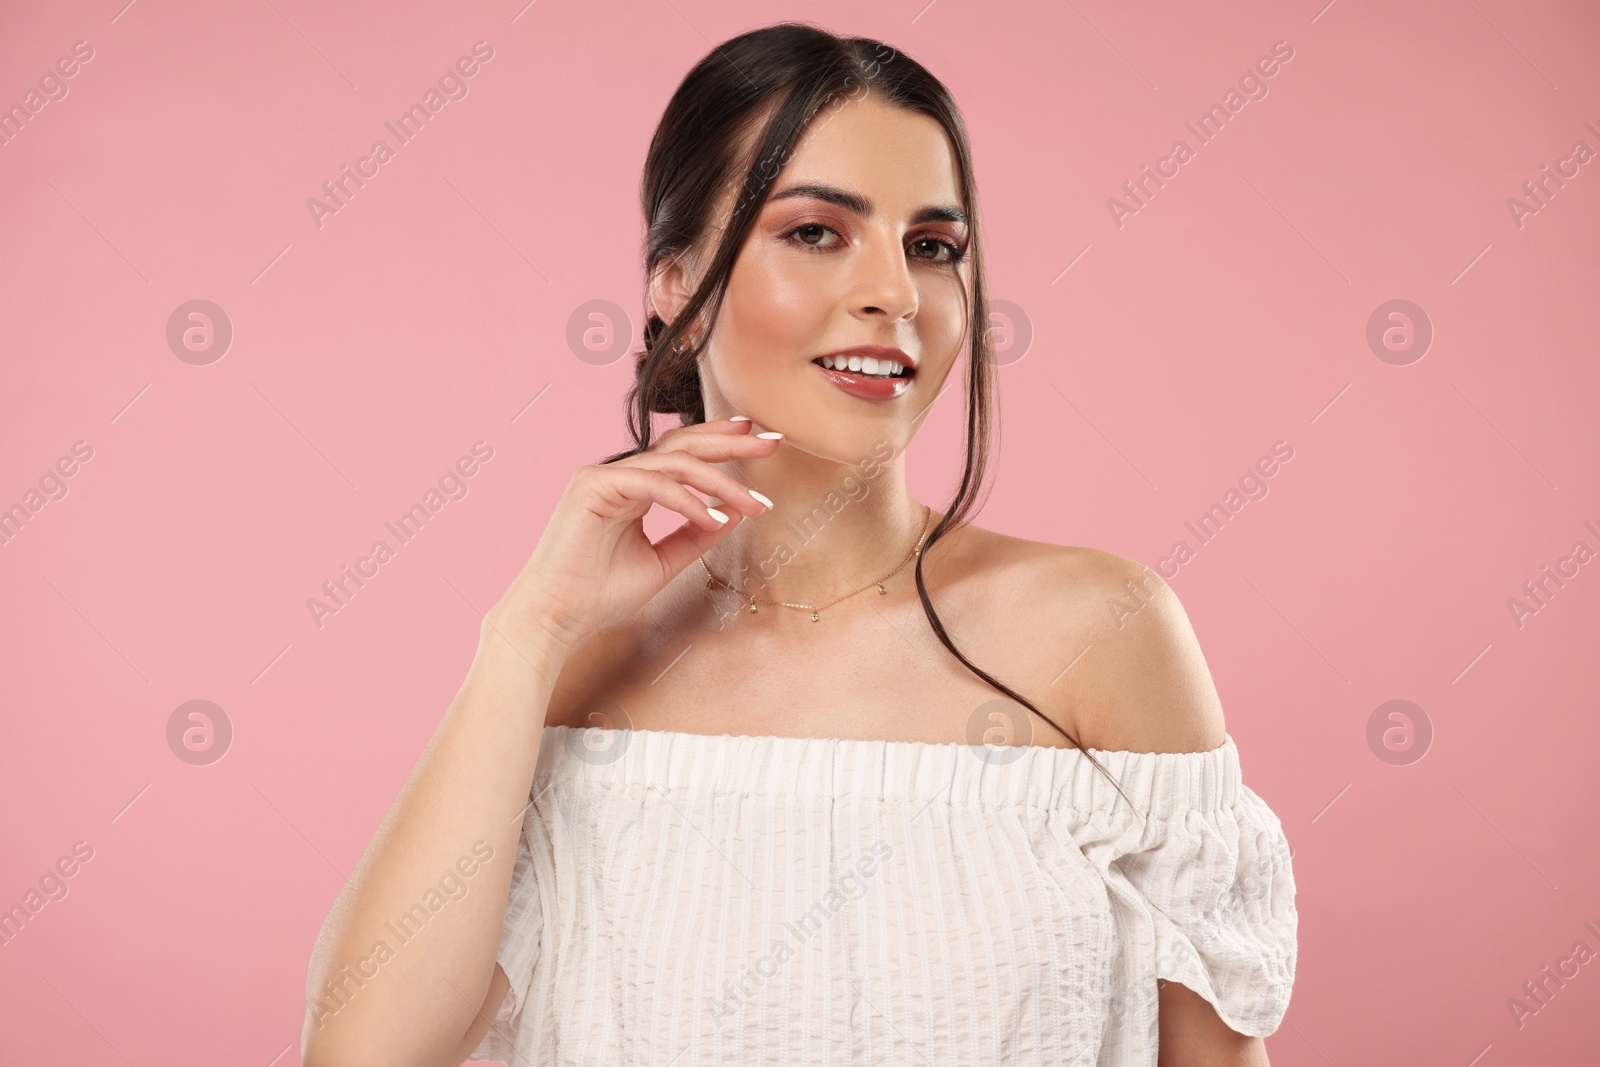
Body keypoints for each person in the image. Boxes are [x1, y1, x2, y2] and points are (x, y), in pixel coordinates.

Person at [301, 22, 1297, 1067]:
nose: (896, 294)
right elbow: (362, 1053)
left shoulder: (1097, 633)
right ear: (678, 290)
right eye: (817, 231)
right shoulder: (577, 669)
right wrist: (525, 633)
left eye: (932, 247)